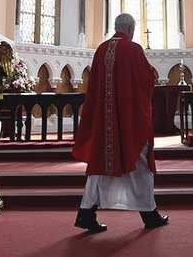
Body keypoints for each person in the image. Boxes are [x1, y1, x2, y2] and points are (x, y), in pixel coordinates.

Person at [72, 13, 169, 232]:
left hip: (105, 123)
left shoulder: (101, 50)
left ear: (117, 28)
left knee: (99, 167)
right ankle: (149, 214)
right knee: (140, 164)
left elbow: (95, 88)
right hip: (130, 121)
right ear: (130, 29)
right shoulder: (133, 50)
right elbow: (147, 80)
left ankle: (86, 213)